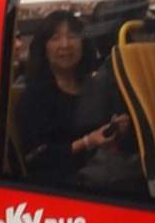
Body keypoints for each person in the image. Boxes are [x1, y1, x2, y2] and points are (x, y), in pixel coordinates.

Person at [10, 11, 123, 184]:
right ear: (43, 48)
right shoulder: (35, 95)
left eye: (72, 36)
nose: (65, 44)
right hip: (62, 186)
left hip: (104, 172)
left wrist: (118, 127)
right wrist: (86, 142)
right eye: (55, 38)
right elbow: (36, 156)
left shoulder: (95, 86)